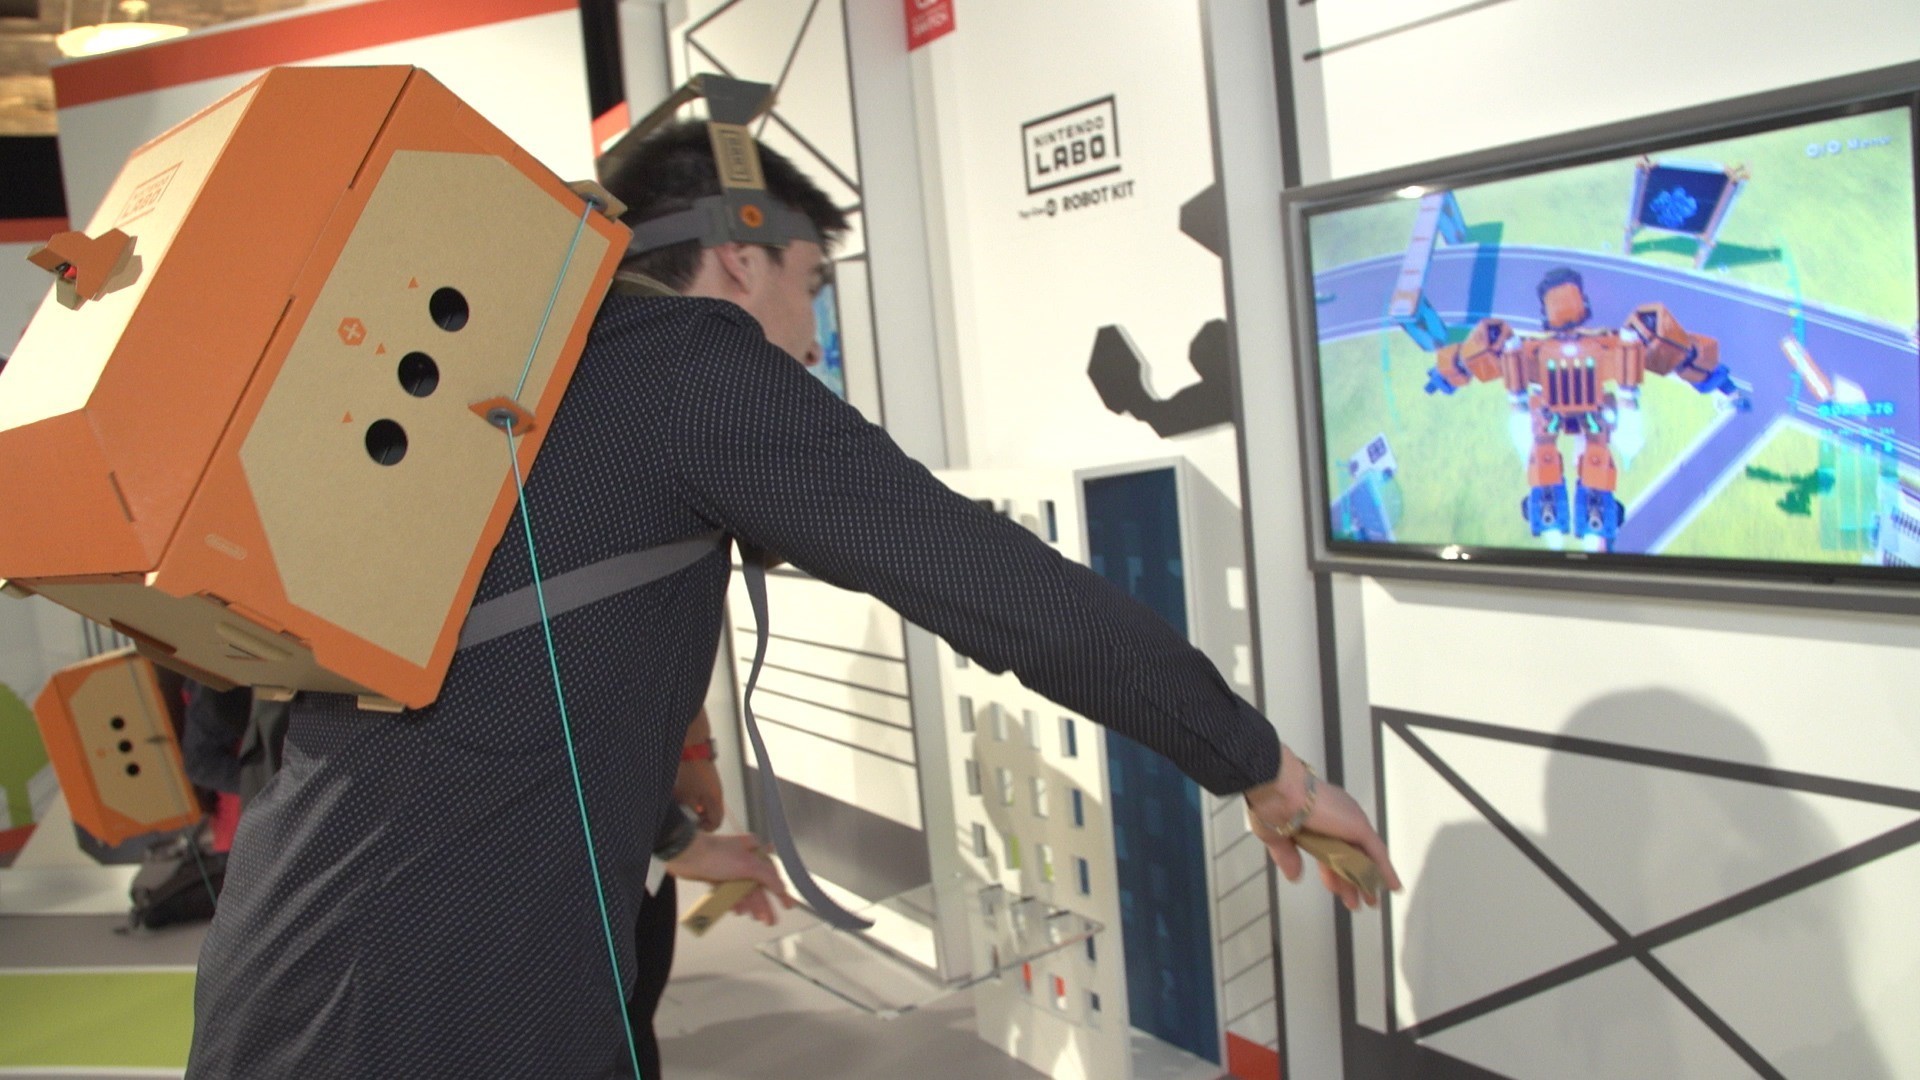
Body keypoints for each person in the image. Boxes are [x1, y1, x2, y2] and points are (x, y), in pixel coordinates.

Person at [185, 118, 1396, 1078]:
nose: (813, 338)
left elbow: (504, 692)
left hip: (313, 953)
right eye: (812, 282)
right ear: (739, 255)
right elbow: (991, 580)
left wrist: (678, 842)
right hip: (433, 1005)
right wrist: (1263, 767)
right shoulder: (686, 370)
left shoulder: (536, 386)